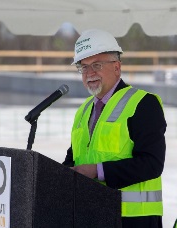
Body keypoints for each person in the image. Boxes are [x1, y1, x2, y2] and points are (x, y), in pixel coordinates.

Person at [63, 29, 166, 228]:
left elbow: (152, 164)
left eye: (96, 65)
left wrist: (97, 171)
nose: (89, 73)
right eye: (83, 67)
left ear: (117, 67)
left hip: (134, 221)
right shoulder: (83, 110)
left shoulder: (143, 103)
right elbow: (72, 160)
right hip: (90, 216)